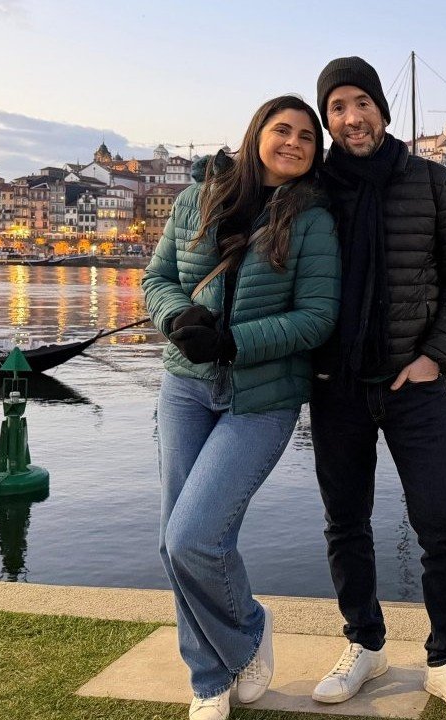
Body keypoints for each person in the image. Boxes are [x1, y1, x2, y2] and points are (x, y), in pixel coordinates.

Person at [142, 95, 340, 720]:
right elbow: (157, 279)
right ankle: (209, 679)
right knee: (178, 542)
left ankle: (248, 630)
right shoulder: (197, 198)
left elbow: (317, 318)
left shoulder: (313, 220)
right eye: (283, 130)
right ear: (256, 135)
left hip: (262, 396)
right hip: (185, 387)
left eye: (307, 137)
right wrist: (177, 318)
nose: (294, 143)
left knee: (194, 536)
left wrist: (233, 341)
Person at [307, 57, 446, 720]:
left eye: (361, 102)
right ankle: (365, 643)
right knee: (345, 521)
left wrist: (437, 357)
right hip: (336, 384)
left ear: (382, 109)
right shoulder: (311, 188)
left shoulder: (433, 182)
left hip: (414, 381)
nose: (351, 118)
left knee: (441, 521)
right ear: (327, 119)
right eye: (337, 107)